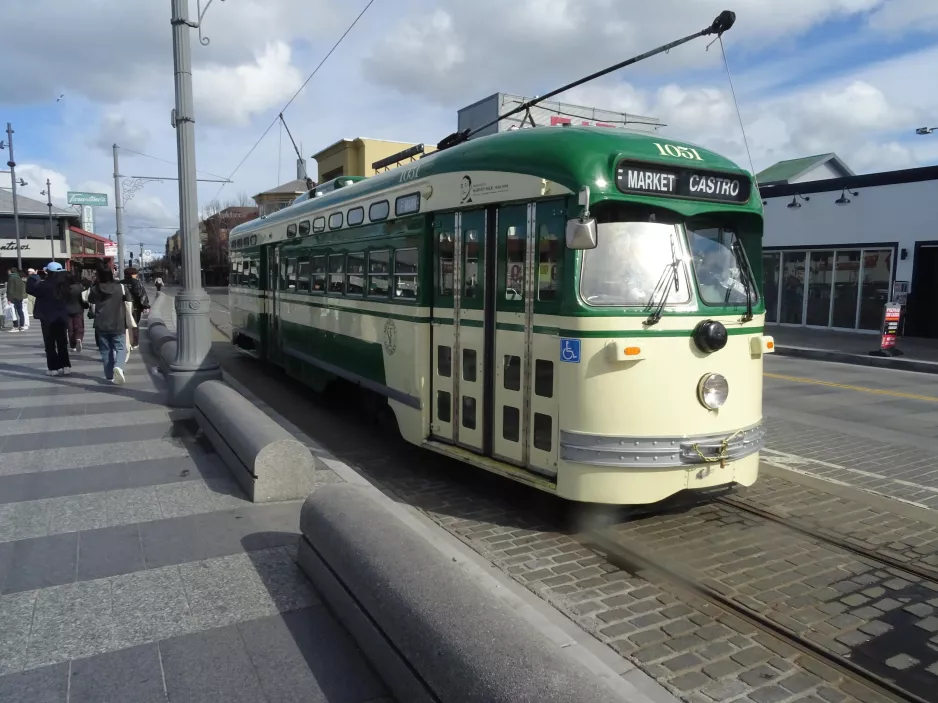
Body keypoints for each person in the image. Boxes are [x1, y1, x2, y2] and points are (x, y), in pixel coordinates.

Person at [88, 267, 132, 384]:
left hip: (101, 323)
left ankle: (109, 376)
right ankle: (118, 366)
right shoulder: (121, 287)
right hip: (118, 322)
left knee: (105, 350)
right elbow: (129, 300)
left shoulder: (95, 289)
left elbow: (90, 301)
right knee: (121, 347)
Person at [27, 262, 71, 376]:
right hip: (61, 317)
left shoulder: (43, 285)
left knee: (50, 343)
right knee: (62, 342)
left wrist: (33, 276)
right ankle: (65, 366)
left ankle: (53, 368)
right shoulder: (65, 285)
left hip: (47, 318)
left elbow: (30, 289)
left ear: (49, 272)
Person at [121, 266, 149, 351]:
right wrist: (145, 306)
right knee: (134, 324)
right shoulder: (136, 283)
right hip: (135, 307)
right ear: (132, 274)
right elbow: (141, 295)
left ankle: (125, 342)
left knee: (123, 325)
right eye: (135, 273)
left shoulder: (120, 283)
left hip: (122, 307)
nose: (136, 275)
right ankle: (134, 343)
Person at [65, 272, 87, 352]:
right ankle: (78, 338)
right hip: (78, 309)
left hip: (67, 310)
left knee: (70, 328)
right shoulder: (80, 287)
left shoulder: (64, 288)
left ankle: (73, 345)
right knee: (79, 326)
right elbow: (84, 299)